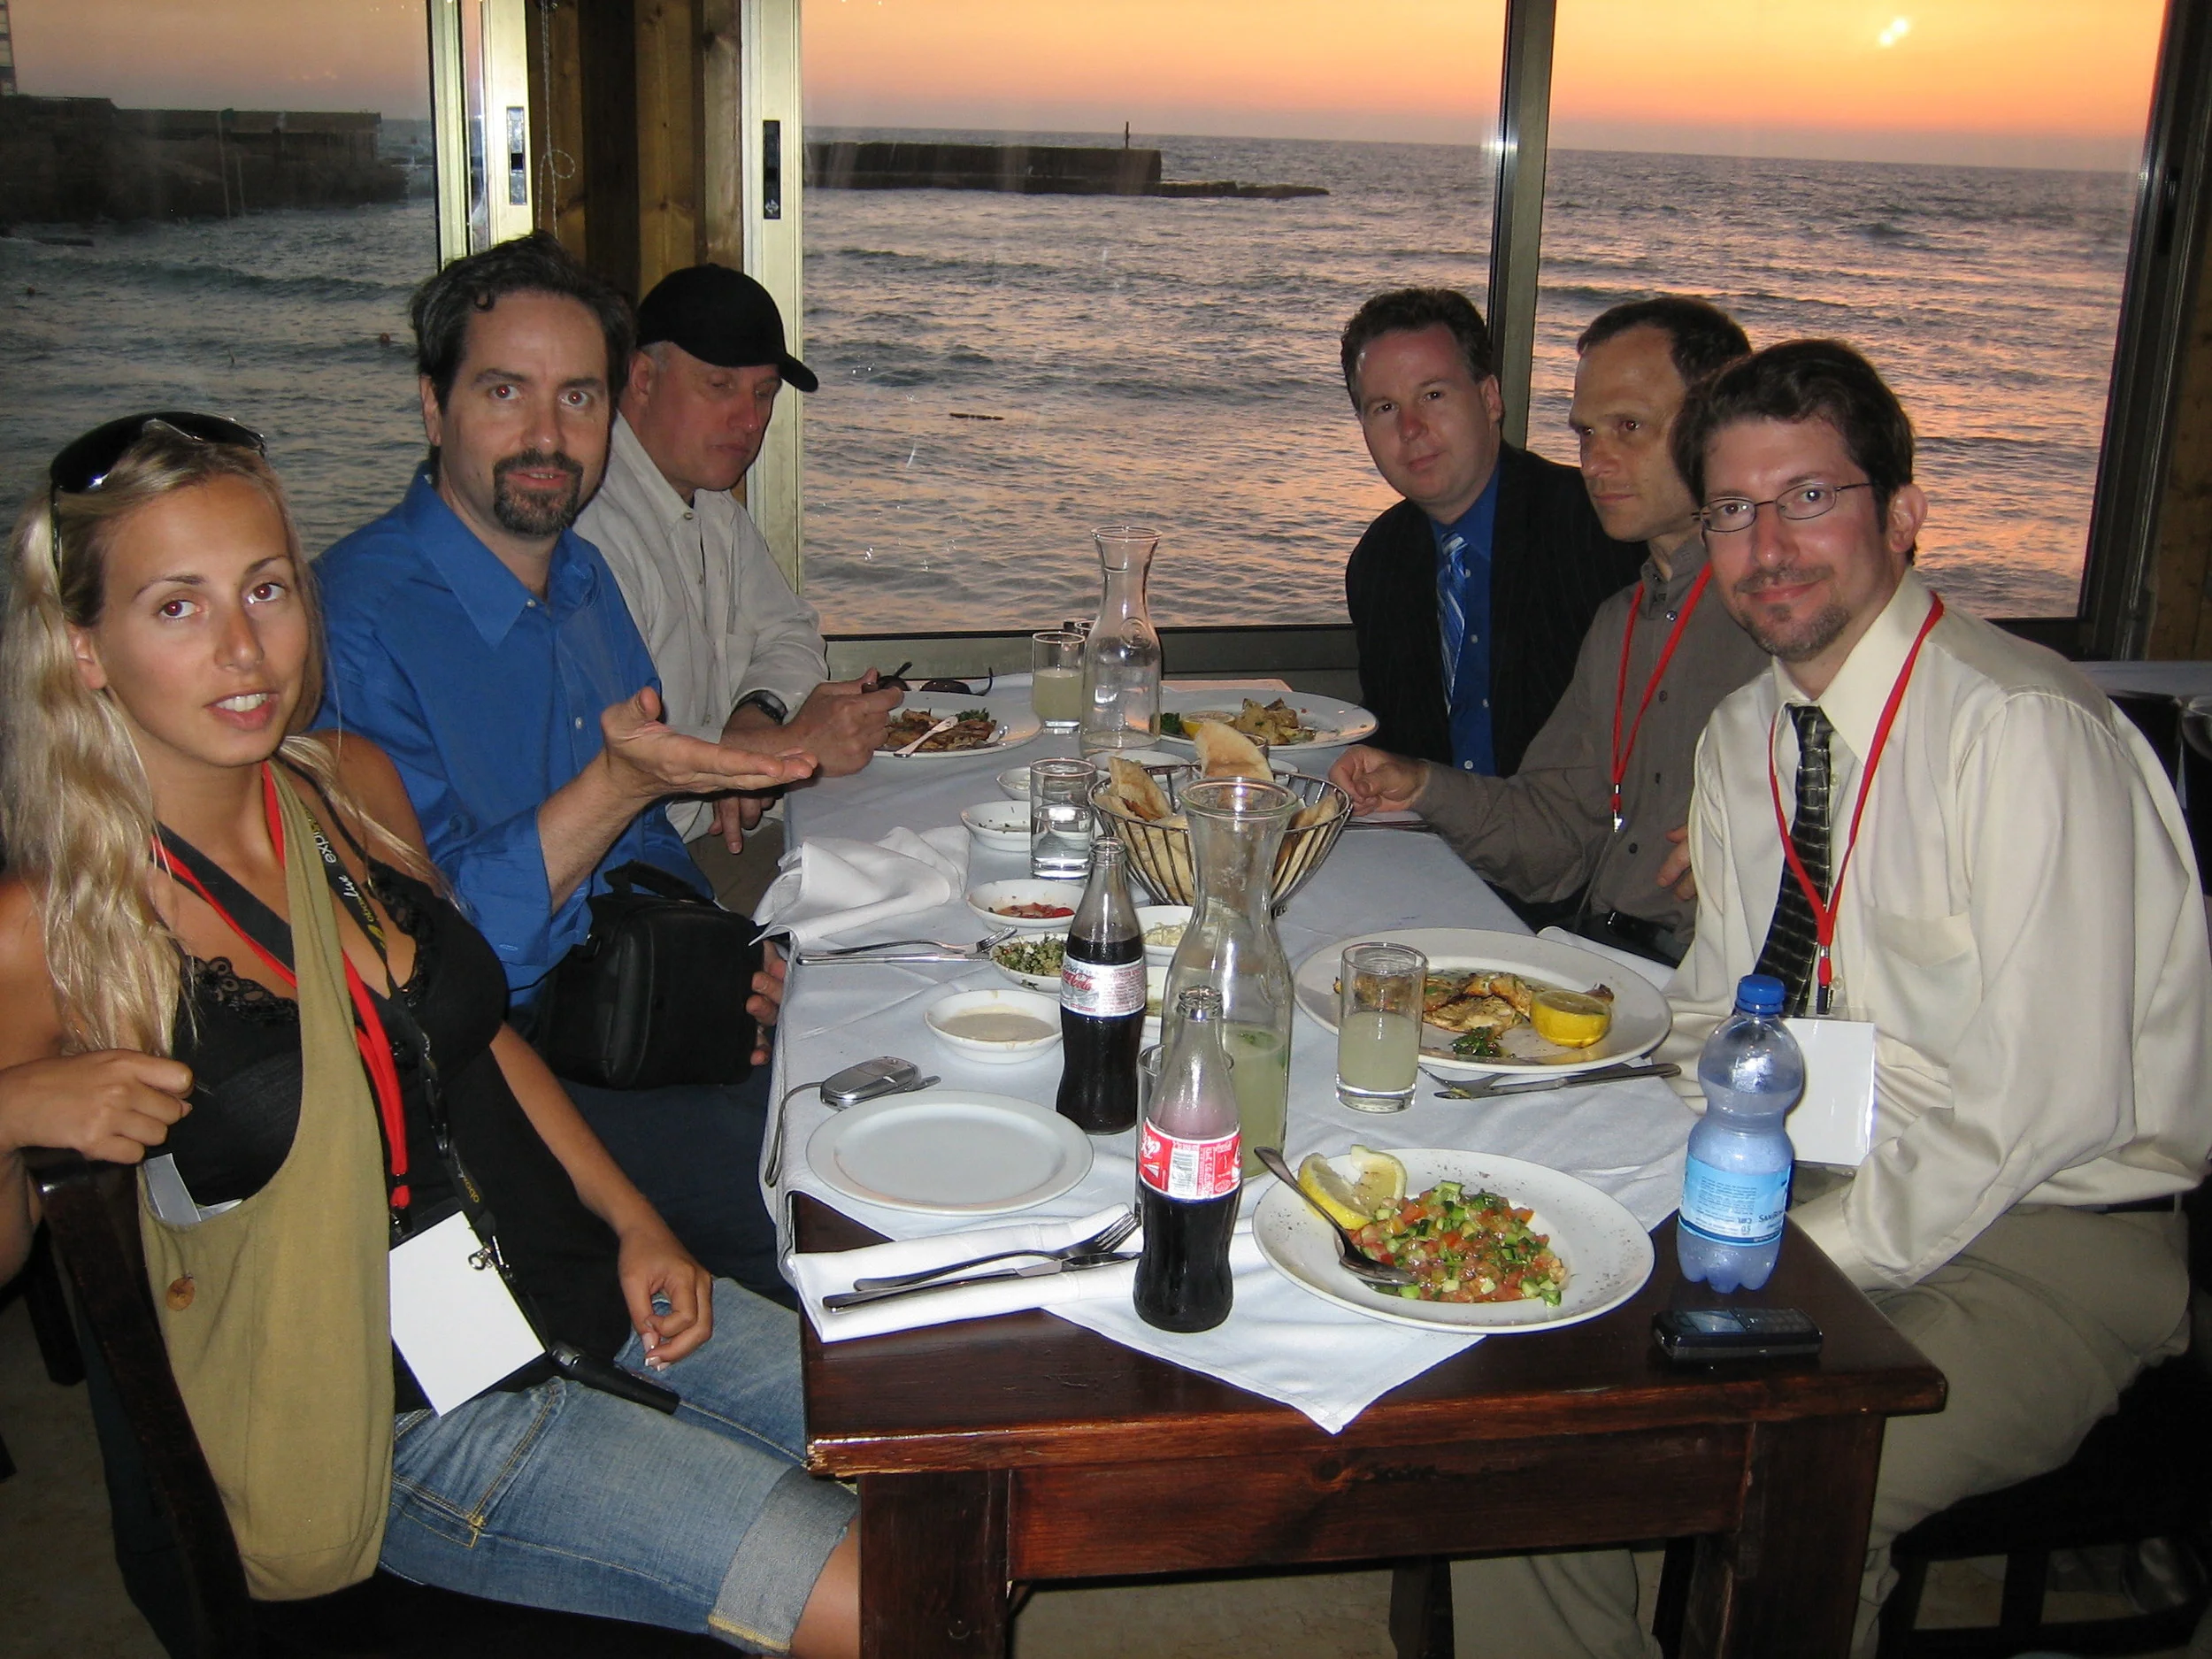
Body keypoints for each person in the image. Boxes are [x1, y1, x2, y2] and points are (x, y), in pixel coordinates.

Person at [0, 414, 857, 1653]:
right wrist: (11, 1111)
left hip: (572, 1285)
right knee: (870, 1587)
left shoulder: (345, 784)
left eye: (266, 589)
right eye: (177, 606)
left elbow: (471, 1035)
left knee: (941, 1462)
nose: (243, 648)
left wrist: (634, 1219)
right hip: (398, 1414)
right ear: (84, 648)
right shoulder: (53, 924)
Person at [1451, 341, 2212, 1657]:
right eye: (1732, 509)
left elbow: (2045, 1106)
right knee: (1524, 1428)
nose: (1767, 547)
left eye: (1808, 497)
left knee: (1788, 1475)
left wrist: (1794, 1263)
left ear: (1902, 514)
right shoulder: (1747, 733)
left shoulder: (2018, 733)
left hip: (2048, 1238)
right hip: (1799, 1176)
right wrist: (1543, 1081)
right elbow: (1715, 1011)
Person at [312, 233, 816, 1304]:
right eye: (505, 391)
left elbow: (644, 847)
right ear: (434, 406)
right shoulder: (354, 629)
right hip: (495, 1079)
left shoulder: (582, 580)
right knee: (828, 1202)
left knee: (870, 1070)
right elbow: (430, 971)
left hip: (629, 1009)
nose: (547, 436)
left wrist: (724, 965)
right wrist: (614, 789)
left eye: (577, 398)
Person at [1331, 297, 1766, 963]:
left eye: (1629, 426)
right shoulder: (1382, 561)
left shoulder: (1742, 592)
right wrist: (1419, 784)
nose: (1598, 462)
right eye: (1384, 407)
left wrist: (1780, 828)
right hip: (1538, 899)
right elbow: (1557, 822)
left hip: (1678, 954)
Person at [575, 263, 901, 909]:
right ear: (642, 378)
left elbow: (790, 632)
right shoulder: (593, 528)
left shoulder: (712, 505)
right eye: (719, 385)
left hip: (717, 832)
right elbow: (606, 752)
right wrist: (761, 754)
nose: (749, 420)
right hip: (636, 873)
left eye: (764, 392)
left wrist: (755, 723)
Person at [1340, 288, 1645, 779]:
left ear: (1489, 399)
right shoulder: (1380, 560)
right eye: (1385, 408)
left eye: (1433, 395)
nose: (1411, 428)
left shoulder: (1596, 530)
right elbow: (1396, 744)